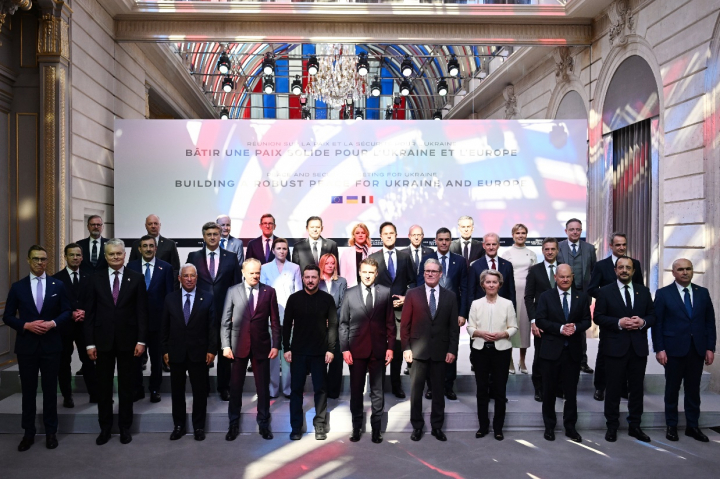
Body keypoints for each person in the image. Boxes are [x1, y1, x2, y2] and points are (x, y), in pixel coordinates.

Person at [3, 245, 71, 452]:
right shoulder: (18, 287)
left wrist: (52, 323)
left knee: (50, 392)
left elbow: (67, 311)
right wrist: (25, 325)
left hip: (51, 346)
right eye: (36, 259)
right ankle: (28, 433)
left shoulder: (58, 285)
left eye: (43, 259)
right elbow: (7, 316)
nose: (40, 263)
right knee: (28, 392)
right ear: (28, 260)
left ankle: (51, 432)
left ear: (47, 261)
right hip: (27, 347)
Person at [85, 239, 149, 446]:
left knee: (126, 387)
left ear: (125, 255)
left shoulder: (136, 278)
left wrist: (141, 340)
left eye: (119, 253)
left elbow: (142, 312)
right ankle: (105, 428)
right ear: (105, 256)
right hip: (102, 342)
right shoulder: (95, 279)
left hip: (128, 342)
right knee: (103, 388)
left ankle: (124, 428)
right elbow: (90, 314)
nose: (115, 257)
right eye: (111, 254)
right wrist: (89, 344)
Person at [652, 258, 716, 443]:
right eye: (680, 269)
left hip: (697, 349)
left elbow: (709, 322)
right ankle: (671, 426)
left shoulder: (702, 293)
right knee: (672, 389)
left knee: (693, 390)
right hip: (673, 350)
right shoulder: (664, 294)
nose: (685, 272)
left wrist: (710, 347)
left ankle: (692, 426)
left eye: (688, 269)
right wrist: (659, 348)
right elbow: (658, 324)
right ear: (673, 272)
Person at [593, 256, 655, 443]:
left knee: (636, 390)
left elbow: (653, 315)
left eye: (628, 267)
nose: (624, 270)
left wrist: (643, 322)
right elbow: (598, 317)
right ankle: (612, 426)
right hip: (614, 348)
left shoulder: (644, 291)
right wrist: (618, 323)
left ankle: (635, 426)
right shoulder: (605, 292)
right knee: (613, 389)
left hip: (638, 348)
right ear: (615, 270)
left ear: (633, 271)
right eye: (621, 267)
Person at [401, 258, 460, 442]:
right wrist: (406, 348)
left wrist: (452, 350)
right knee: (416, 392)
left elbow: (454, 328)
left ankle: (437, 427)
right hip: (417, 352)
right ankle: (417, 426)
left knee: (438, 392)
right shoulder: (412, 294)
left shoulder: (450, 296)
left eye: (434, 271)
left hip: (441, 352)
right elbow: (405, 325)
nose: (430, 274)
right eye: (427, 271)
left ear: (440, 274)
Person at [222, 258, 281, 441]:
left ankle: (264, 423)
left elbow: (275, 322)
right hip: (238, 347)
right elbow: (225, 321)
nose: (255, 276)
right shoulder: (233, 291)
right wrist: (225, 345)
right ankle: (233, 424)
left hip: (261, 347)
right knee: (235, 388)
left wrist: (276, 345)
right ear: (243, 273)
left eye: (257, 273)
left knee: (263, 389)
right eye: (251, 273)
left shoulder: (269, 292)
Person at [339, 257, 395, 444]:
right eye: (364, 272)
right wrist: (344, 348)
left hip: (379, 350)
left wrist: (391, 347)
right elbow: (343, 323)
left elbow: (390, 323)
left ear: (376, 274)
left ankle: (376, 429)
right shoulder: (349, 294)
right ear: (359, 273)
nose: (368, 275)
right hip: (356, 350)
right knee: (356, 391)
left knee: (377, 391)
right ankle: (356, 427)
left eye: (371, 272)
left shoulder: (385, 292)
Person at [186, 221, 242, 400]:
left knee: (224, 351)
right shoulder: (193, 256)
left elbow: (236, 286)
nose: (212, 237)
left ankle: (224, 387)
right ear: (203, 236)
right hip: (200, 312)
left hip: (224, 311)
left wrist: (235, 311)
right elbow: (188, 284)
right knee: (202, 350)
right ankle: (203, 386)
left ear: (220, 236)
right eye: (209, 234)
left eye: (215, 234)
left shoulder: (231, 257)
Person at [535, 264, 591, 443]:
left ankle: (570, 427)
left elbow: (587, 321)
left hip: (572, 353)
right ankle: (549, 427)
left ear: (572, 277)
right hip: (551, 352)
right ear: (555, 277)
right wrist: (560, 328)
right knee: (549, 392)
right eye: (562, 277)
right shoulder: (546, 296)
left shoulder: (581, 297)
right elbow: (540, 320)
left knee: (571, 393)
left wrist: (575, 327)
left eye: (568, 277)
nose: (565, 280)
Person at [161, 264, 217, 441]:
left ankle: (199, 427)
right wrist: (164, 350)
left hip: (199, 353)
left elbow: (212, 327)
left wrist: (212, 350)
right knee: (177, 392)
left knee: (199, 392)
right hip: (176, 352)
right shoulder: (170, 299)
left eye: (193, 275)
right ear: (179, 278)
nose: (189, 279)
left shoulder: (207, 298)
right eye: (186, 276)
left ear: (197, 278)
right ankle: (179, 426)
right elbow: (164, 327)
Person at [587, 232, 644, 401]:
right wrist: (609, 297)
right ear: (610, 246)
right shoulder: (601, 265)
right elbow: (591, 288)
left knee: (628, 352)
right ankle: (600, 387)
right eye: (618, 245)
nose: (621, 247)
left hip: (630, 315)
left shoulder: (635, 264)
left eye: (624, 244)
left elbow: (640, 288)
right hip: (609, 317)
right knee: (605, 353)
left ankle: (623, 388)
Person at [283, 265, 338, 441]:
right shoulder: (294, 299)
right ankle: (296, 427)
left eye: (313, 277)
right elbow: (286, 325)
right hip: (298, 352)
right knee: (296, 390)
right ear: (302, 278)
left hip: (320, 352)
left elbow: (333, 326)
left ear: (319, 278)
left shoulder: (327, 299)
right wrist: (286, 348)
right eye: (307, 277)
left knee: (320, 389)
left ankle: (320, 424)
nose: (310, 280)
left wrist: (331, 349)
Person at [417, 227, 468, 400]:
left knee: (451, 347)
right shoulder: (426, 260)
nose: (444, 242)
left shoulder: (460, 261)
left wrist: (462, 313)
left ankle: (448, 386)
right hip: (430, 311)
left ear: (451, 241)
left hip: (452, 312)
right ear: (436, 241)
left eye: (447, 239)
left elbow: (465, 288)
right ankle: (431, 387)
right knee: (431, 349)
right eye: (441, 239)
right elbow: (419, 285)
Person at [467, 269, 518, 441]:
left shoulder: (507, 304)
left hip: (501, 351)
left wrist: (504, 334)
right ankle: (483, 426)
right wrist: (479, 333)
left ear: (499, 285)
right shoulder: (476, 304)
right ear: (483, 285)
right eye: (488, 282)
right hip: (480, 350)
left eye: (494, 282)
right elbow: (470, 327)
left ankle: (498, 428)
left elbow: (514, 327)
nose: (491, 285)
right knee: (481, 390)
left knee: (500, 391)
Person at [368, 221, 417, 398]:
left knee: (396, 350)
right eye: (385, 234)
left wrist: (406, 297)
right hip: (379, 312)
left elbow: (413, 282)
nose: (389, 236)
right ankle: (377, 387)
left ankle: (396, 385)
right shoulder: (373, 258)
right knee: (378, 350)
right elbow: (368, 284)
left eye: (391, 233)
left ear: (396, 235)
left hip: (399, 313)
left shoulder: (405, 257)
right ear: (380, 237)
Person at [127, 235, 174, 403]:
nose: (148, 249)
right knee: (136, 359)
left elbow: (169, 296)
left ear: (156, 248)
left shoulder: (166, 268)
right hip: (135, 322)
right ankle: (137, 389)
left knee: (156, 359)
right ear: (139, 249)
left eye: (151, 246)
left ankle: (155, 389)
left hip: (158, 322)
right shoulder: (131, 267)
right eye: (145, 246)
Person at [53, 243, 98, 407]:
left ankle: (95, 394)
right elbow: (54, 305)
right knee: (64, 363)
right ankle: (67, 396)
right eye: (71, 255)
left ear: (82, 257)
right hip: (65, 327)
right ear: (65, 257)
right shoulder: (56, 279)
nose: (75, 258)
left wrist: (85, 312)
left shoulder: (90, 277)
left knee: (89, 361)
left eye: (78, 255)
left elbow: (94, 300)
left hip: (85, 326)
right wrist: (71, 313)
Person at [260, 237, 302, 398]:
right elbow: (263, 294)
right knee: (272, 355)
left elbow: (298, 293)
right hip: (270, 318)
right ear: (273, 250)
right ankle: (272, 389)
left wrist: (297, 317)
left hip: (290, 317)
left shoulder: (295, 268)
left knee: (288, 356)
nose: (282, 251)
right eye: (279, 248)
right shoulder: (265, 268)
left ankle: (287, 389)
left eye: (284, 248)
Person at [524, 237, 561, 402]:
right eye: (547, 249)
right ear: (542, 250)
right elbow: (528, 297)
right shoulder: (535, 270)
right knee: (540, 356)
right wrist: (533, 321)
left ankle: (558, 388)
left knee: (561, 355)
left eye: (553, 249)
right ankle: (539, 388)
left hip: (561, 320)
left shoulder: (564, 269)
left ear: (557, 250)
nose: (550, 252)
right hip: (541, 320)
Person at [557, 218, 596, 375]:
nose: (575, 232)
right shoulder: (558, 247)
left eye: (578, 229)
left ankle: (582, 361)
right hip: (562, 294)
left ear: (581, 231)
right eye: (571, 229)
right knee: (562, 326)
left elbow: (593, 271)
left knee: (580, 328)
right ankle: (561, 359)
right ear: (566, 231)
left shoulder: (589, 248)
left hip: (582, 294)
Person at [501, 224, 538, 375]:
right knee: (509, 325)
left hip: (527, 295)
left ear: (526, 235)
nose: (520, 235)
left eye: (523, 233)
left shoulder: (531, 254)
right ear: (513, 235)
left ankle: (522, 360)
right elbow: (502, 276)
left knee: (524, 327)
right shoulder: (506, 253)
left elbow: (535, 275)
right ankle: (509, 359)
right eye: (518, 233)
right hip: (510, 294)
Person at [318, 253, 347, 399]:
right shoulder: (316, 280)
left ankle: (333, 392)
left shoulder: (341, 281)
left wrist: (332, 320)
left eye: (332, 263)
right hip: (319, 327)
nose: (330, 265)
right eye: (327, 263)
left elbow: (343, 304)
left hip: (336, 326)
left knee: (336, 360)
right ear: (322, 264)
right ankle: (321, 390)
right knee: (320, 360)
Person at [466, 232, 516, 314]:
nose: (491, 247)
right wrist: (471, 313)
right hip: (481, 310)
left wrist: (513, 312)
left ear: (498, 245)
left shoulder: (507, 265)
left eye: (494, 244)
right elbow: (471, 293)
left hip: (503, 310)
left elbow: (511, 292)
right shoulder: (475, 266)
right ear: (483, 246)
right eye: (488, 244)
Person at [128, 214, 181, 280]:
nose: (153, 226)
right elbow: (131, 267)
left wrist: (173, 285)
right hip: (140, 283)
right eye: (150, 224)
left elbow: (175, 269)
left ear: (160, 225)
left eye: (156, 223)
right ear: (145, 226)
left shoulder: (170, 244)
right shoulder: (136, 244)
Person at [339, 222, 377, 287]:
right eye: (357, 233)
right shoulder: (346, 252)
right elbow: (342, 274)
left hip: (369, 287)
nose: (360, 235)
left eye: (363, 233)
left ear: (366, 235)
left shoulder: (373, 251)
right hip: (350, 288)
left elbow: (376, 272)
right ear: (353, 235)